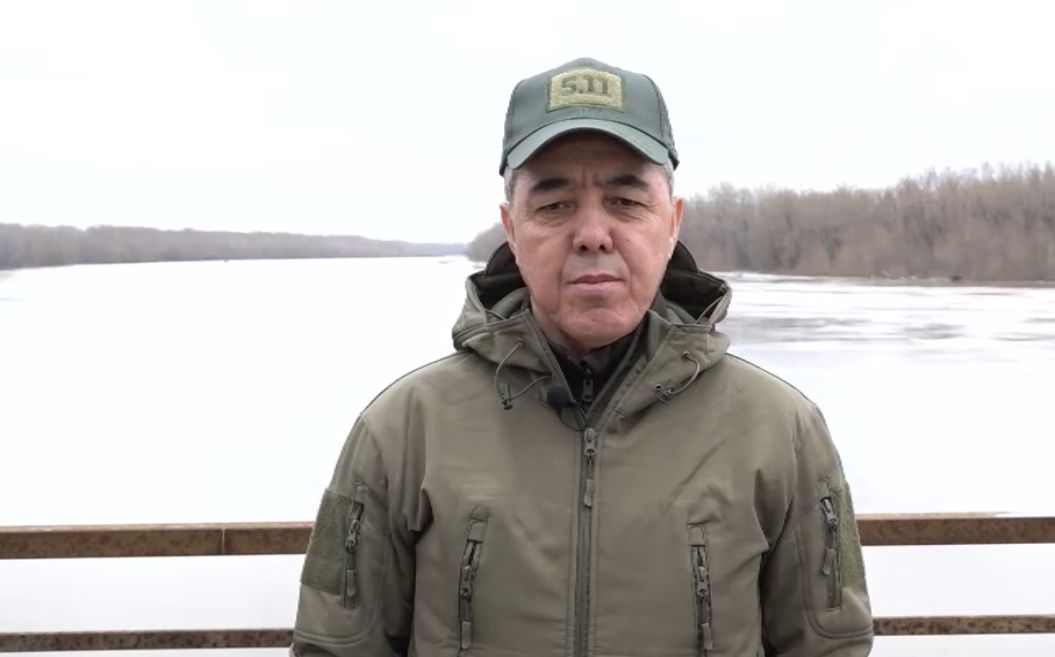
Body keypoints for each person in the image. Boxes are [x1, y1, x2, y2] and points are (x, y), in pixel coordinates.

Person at [291, 57, 873, 657]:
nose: (593, 234)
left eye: (625, 201)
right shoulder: (401, 430)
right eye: (554, 205)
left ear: (672, 223)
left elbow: (832, 649)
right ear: (511, 228)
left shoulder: (781, 429)